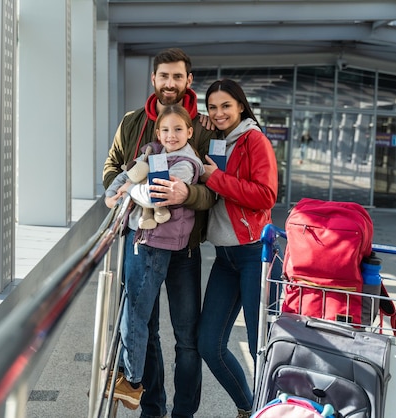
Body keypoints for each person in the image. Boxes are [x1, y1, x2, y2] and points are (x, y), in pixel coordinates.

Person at [103, 48, 215, 418]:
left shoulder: (203, 130)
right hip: (142, 243)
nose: (170, 83)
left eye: (177, 77)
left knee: (187, 338)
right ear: (153, 79)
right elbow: (114, 166)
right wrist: (116, 192)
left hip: (185, 248)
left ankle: (185, 413)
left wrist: (189, 193)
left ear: (188, 81)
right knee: (144, 329)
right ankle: (153, 409)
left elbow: (216, 185)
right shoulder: (133, 123)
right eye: (163, 76)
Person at [196, 79, 279, 418]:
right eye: (213, 107)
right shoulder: (216, 140)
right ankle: (249, 406)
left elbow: (265, 196)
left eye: (225, 106)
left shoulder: (254, 141)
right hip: (225, 257)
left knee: (263, 348)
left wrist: (215, 179)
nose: (219, 113)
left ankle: (269, 410)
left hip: (256, 254)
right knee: (208, 344)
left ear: (241, 106)